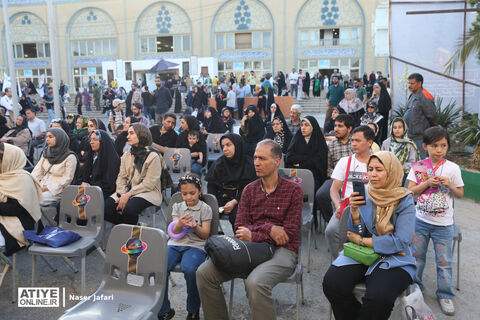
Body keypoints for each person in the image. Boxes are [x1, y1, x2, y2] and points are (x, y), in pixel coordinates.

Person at [197, 139, 302, 320]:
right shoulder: (249, 190)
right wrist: (269, 229)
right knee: (204, 274)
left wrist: (254, 233)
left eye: (262, 158)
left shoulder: (294, 190)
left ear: (277, 161)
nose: (256, 162)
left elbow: (287, 233)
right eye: (254, 157)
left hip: (282, 251)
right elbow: (239, 227)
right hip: (249, 248)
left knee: (255, 283)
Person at [323, 151, 417, 320]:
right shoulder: (366, 193)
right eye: (370, 169)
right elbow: (353, 233)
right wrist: (354, 212)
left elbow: (401, 241)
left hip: (394, 258)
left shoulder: (404, 200)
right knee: (332, 284)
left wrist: (363, 240)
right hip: (362, 254)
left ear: (392, 171)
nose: (373, 174)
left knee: (378, 298)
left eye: (379, 170)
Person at [407, 127, 464, 316]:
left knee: (444, 261)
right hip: (420, 221)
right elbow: (410, 191)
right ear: (425, 147)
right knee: (416, 257)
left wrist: (450, 185)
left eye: (443, 145)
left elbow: (460, 194)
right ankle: (416, 287)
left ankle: (445, 294)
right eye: (434, 146)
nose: (439, 150)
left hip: (444, 225)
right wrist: (426, 184)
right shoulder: (420, 166)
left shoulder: (452, 168)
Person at [158, 174, 211, 320]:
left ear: (200, 191)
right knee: (160, 267)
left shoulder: (205, 208)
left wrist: (195, 226)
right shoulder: (177, 206)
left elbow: (205, 234)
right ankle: (164, 310)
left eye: (192, 193)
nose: (188, 197)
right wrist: (180, 224)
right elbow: (174, 233)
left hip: (196, 246)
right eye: (184, 193)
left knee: (190, 270)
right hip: (175, 244)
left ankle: (193, 311)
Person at [325, 125, 374, 256]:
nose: (353, 144)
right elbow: (334, 189)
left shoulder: (377, 163)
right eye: (352, 140)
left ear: (369, 142)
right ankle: (338, 261)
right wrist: (337, 205)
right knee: (331, 231)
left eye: (358, 140)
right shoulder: (345, 162)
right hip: (347, 207)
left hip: (372, 209)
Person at [104, 123, 162, 225]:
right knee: (106, 209)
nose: (127, 136)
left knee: (129, 209)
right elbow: (121, 177)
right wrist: (122, 194)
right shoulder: (127, 155)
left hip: (147, 192)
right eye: (128, 133)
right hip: (127, 190)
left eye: (131, 133)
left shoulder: (153, 156)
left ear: (141, 135)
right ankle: (134, 226)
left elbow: (149, 184)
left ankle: (130, 232)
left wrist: (128, 195)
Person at [205, 133, 256, 227]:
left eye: (228, 145)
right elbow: (211, 185)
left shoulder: (248, 164)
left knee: (238, 217)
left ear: (237, 145)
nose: (224, 149)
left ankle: (238, 241)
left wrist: (234, 202)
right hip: (221, 199)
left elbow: (250, 188)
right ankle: (211, 239)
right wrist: (215, 203)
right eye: (223, 146)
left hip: (241, 200)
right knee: (207, 215)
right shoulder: (219, 164)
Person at [0, 143, 42, 256]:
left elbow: (17, 209)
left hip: (19, 222)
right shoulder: (3, 176)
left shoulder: (22, 179)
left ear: (8, 161)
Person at [316, 114, 354, 222]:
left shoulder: (355, 142)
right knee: (321, 195)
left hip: (354, 177)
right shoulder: (331, 145)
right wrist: (338, 176)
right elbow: (328, 167)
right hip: (336, 178)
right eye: (335, 126)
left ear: (349, 128)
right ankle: (332, 220)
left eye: (340, 126)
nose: (336, 129)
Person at [31, 128, 78, 205]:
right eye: (47, 137)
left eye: (50, 137)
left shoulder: (70, 157)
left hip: (57, 191)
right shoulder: (46, 153)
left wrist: (47, 188)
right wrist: (31, 184)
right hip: (42, 186)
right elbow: (37, 171)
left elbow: (67, 179)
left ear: (59, 138)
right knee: (24, 197)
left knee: (35, 200)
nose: (47, 139)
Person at [285, 116, 328, 190]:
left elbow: (320, 162)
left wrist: (298, 162)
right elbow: (289, 158)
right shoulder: (297, 139)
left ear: (312, 127)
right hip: (296, 174)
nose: (303, 128)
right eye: (302, 125)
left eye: (306, 125)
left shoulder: (319, 141)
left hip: (314, 175)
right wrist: (308, 158)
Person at [79, 130, 120, 199]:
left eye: (95, 139)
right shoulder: (92, 156)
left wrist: (91, 186)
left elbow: (109, 185)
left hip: (101, 193)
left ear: (102, 142)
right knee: (65, 204)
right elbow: (84, 176)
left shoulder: (112, 159)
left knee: (79, 205)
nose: (91, 142)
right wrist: (83, 182)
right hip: (88, 190)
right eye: (91, 139)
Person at [404, 73, 436, 159]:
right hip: (410, 135)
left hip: (420, 137)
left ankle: (423, 173)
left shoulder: (426, 96)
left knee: (421, 162)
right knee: (412, 159)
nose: (409, 86)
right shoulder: (412, 95)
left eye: (412, 83)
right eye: (409, 83)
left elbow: (432, 116)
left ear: (419, 83)